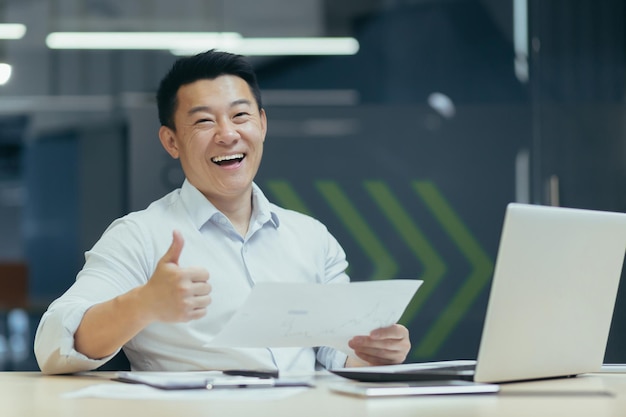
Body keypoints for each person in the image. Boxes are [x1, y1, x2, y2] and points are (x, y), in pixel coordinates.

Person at [34, 49, 411, 375]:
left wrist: (373, 353)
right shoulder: (139, 236)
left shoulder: (311, 237)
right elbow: (52, 345)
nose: (227, 134)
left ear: (262, 124)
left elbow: (335, 353)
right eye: (203, 120)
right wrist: (144, 303)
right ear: (171, 141)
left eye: (240, 115)